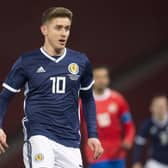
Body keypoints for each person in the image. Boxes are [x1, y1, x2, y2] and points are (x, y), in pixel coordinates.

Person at [0, 7, 103, 168]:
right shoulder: (27, 62)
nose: (64, 33)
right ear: (44, 30)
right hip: (39, 135)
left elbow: (88, 98)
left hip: (70, 141)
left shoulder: (81, 61)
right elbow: (4, 97)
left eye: (67, 28)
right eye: (58, 28)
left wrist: (93, 135)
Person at [81, 66, 135, 168]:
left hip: (117, 152)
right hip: (96, 152)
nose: (101, 80)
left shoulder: (118, 99)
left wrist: (128, 139)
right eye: (98, 77)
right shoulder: (84, 101)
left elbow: (129, 124)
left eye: (104, 77)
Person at [132, 95, 168, 168]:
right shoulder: (147, 124)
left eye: (163, 106)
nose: (160, 109)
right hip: (156, 162)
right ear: (151, 108)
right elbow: (138, 144)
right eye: (158, 106)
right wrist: (136, 162)